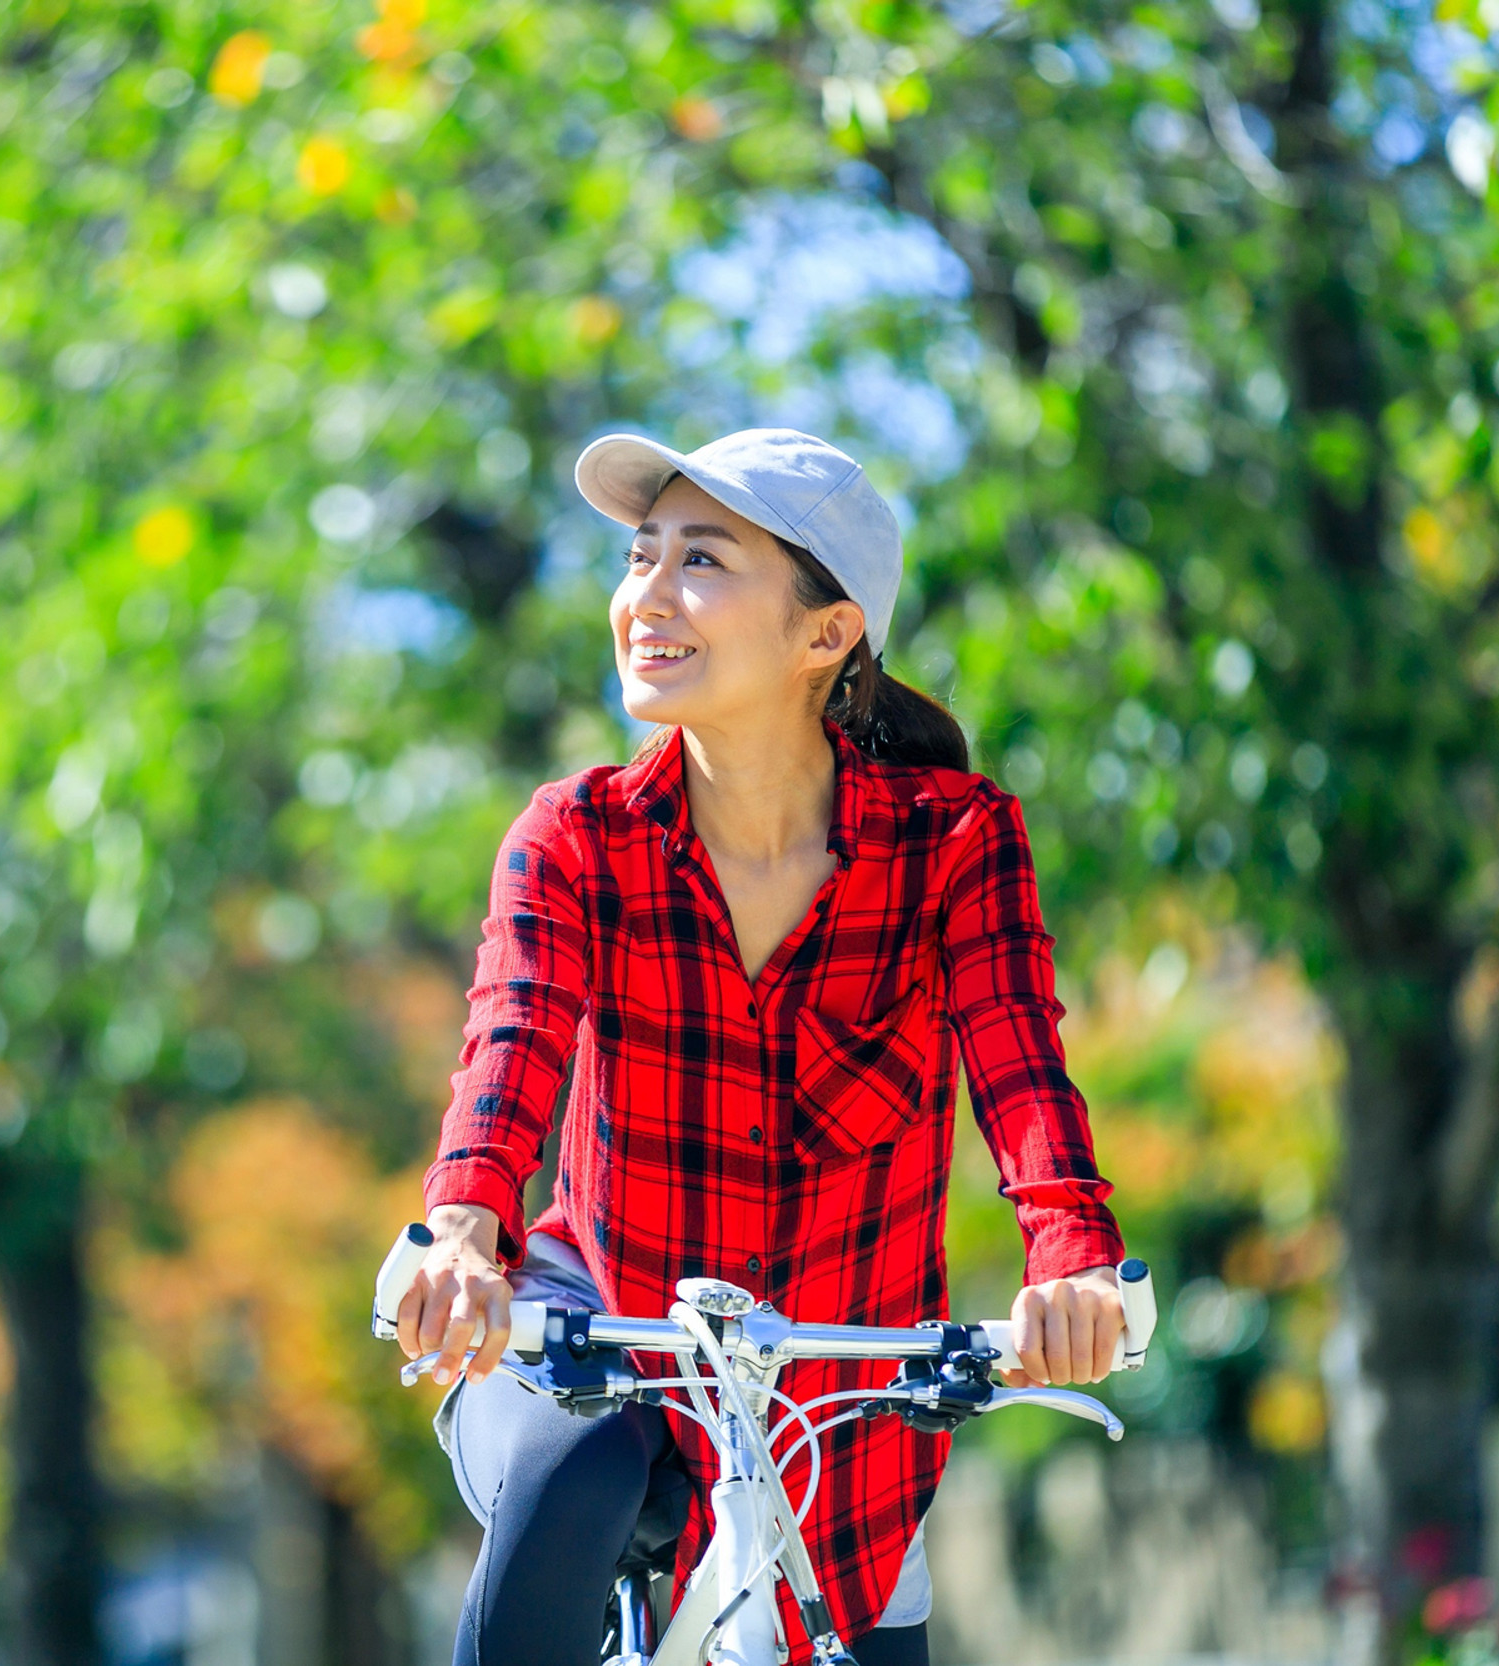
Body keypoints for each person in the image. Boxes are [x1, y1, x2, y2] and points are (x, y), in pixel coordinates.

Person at [394, 429, 1129, 1666]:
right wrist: (463, 1226)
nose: (646, 594)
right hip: (601, 1330)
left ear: (826, 632)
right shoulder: (577, 836)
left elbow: (1020, 1065)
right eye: (640, 556)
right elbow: (509, 1042)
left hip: (843, 1393)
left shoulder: (952, 845)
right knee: (579, 1463)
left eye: (703, 559)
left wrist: (1072, 1260)